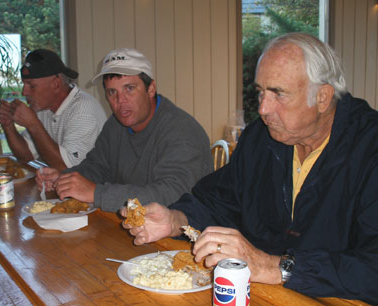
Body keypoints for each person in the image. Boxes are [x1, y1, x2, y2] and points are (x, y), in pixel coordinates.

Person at [121, 33, 378, 305]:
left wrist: (275, 267)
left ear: (323, 98)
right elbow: (220, 201)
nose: (263, 109)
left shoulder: (370, 148)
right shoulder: (260, 137)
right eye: (260, 92)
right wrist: (177, 219)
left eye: (278, 94)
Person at [37, 48, 213, 211]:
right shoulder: (116, 125)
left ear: (150, 89)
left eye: (129, 88)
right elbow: (97, 166)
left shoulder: (183, 132)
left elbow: (173, 195)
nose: (120, 101)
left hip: (181, 237)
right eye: (112, 92)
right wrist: (64, 179)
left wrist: (96, 193)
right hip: (132, 225)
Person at [0, 49, 107, 171]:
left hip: (95, 187)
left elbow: (68, 169)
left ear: (56, 84)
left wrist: (33, 124)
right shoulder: (43, 108)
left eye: (32, 86)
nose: (24, 92)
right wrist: (8, 126)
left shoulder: (83, 111)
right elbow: (26, 157)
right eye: (24, 85)